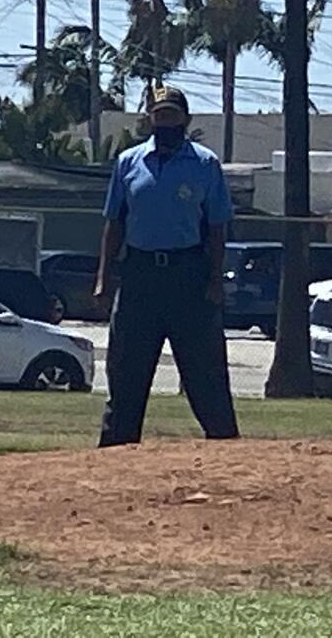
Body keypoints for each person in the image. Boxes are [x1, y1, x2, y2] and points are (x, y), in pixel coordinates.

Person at [94, 86, 239, 447]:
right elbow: (114, 223)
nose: (166, 122)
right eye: (160, 115)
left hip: (187, 274)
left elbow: (217, 227)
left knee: (204, 370)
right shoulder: (129, 162)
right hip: (139, 275)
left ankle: (227, 447)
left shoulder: (205, 164)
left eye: (173, 115)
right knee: (126, 369)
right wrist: (103, 279)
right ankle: (116, 449)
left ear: (186, 120)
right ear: (150, 120)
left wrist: (214, 280)